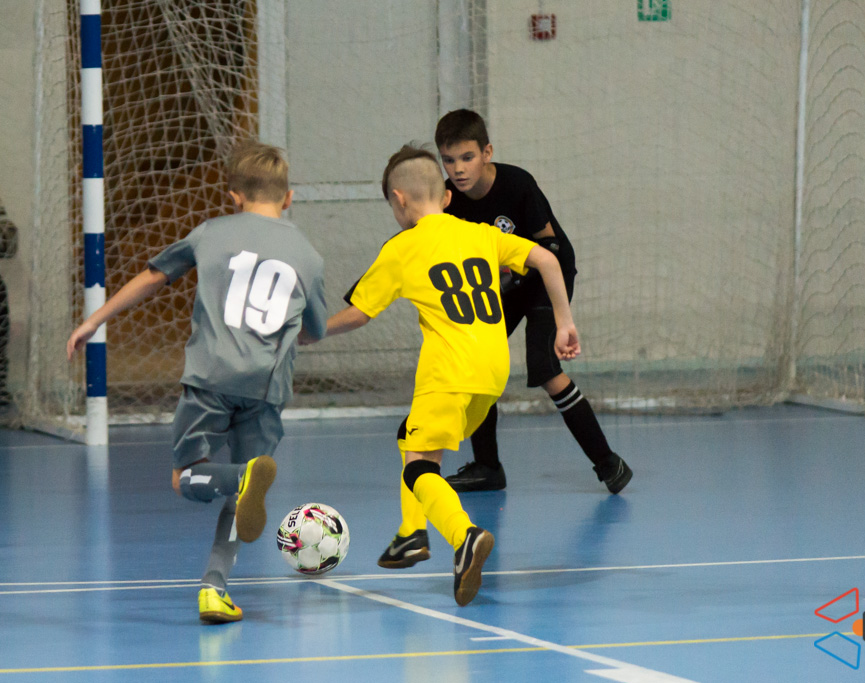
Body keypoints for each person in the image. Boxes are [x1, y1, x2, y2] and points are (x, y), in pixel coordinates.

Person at [66, 141, 328, 620]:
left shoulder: (211, 232)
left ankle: (240, 482)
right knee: (244, 495)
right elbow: (314, 331)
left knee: (186, 477)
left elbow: (152, 278)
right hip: (267, 387)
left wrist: (94, 321)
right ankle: (214, 586)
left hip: (211, 377)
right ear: (289, 198)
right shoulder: (308, 255)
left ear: (234, 196)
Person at [313, 145, 578, 605]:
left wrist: (310, 333)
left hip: (448, 370)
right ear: (448, 196)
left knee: (419, 465)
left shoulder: (402, 247)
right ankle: (410, 534)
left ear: (399, 200)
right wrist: (564, 322)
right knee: (412, 437)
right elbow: (549, 260)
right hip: (493, 370)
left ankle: (463, 536)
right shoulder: (480, 234)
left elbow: (359, 313)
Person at [433, 109, 631, 494]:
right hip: (503, 287)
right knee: (476, 365)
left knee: (544, 366)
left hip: (545, 278)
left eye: (467, 157)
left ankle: (608, 462)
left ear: (487, 152)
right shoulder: (447, 199)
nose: (458, 169)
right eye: (449, 160)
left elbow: (550, 247)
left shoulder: (518, 184)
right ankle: (488, 467)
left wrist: (560, 317)